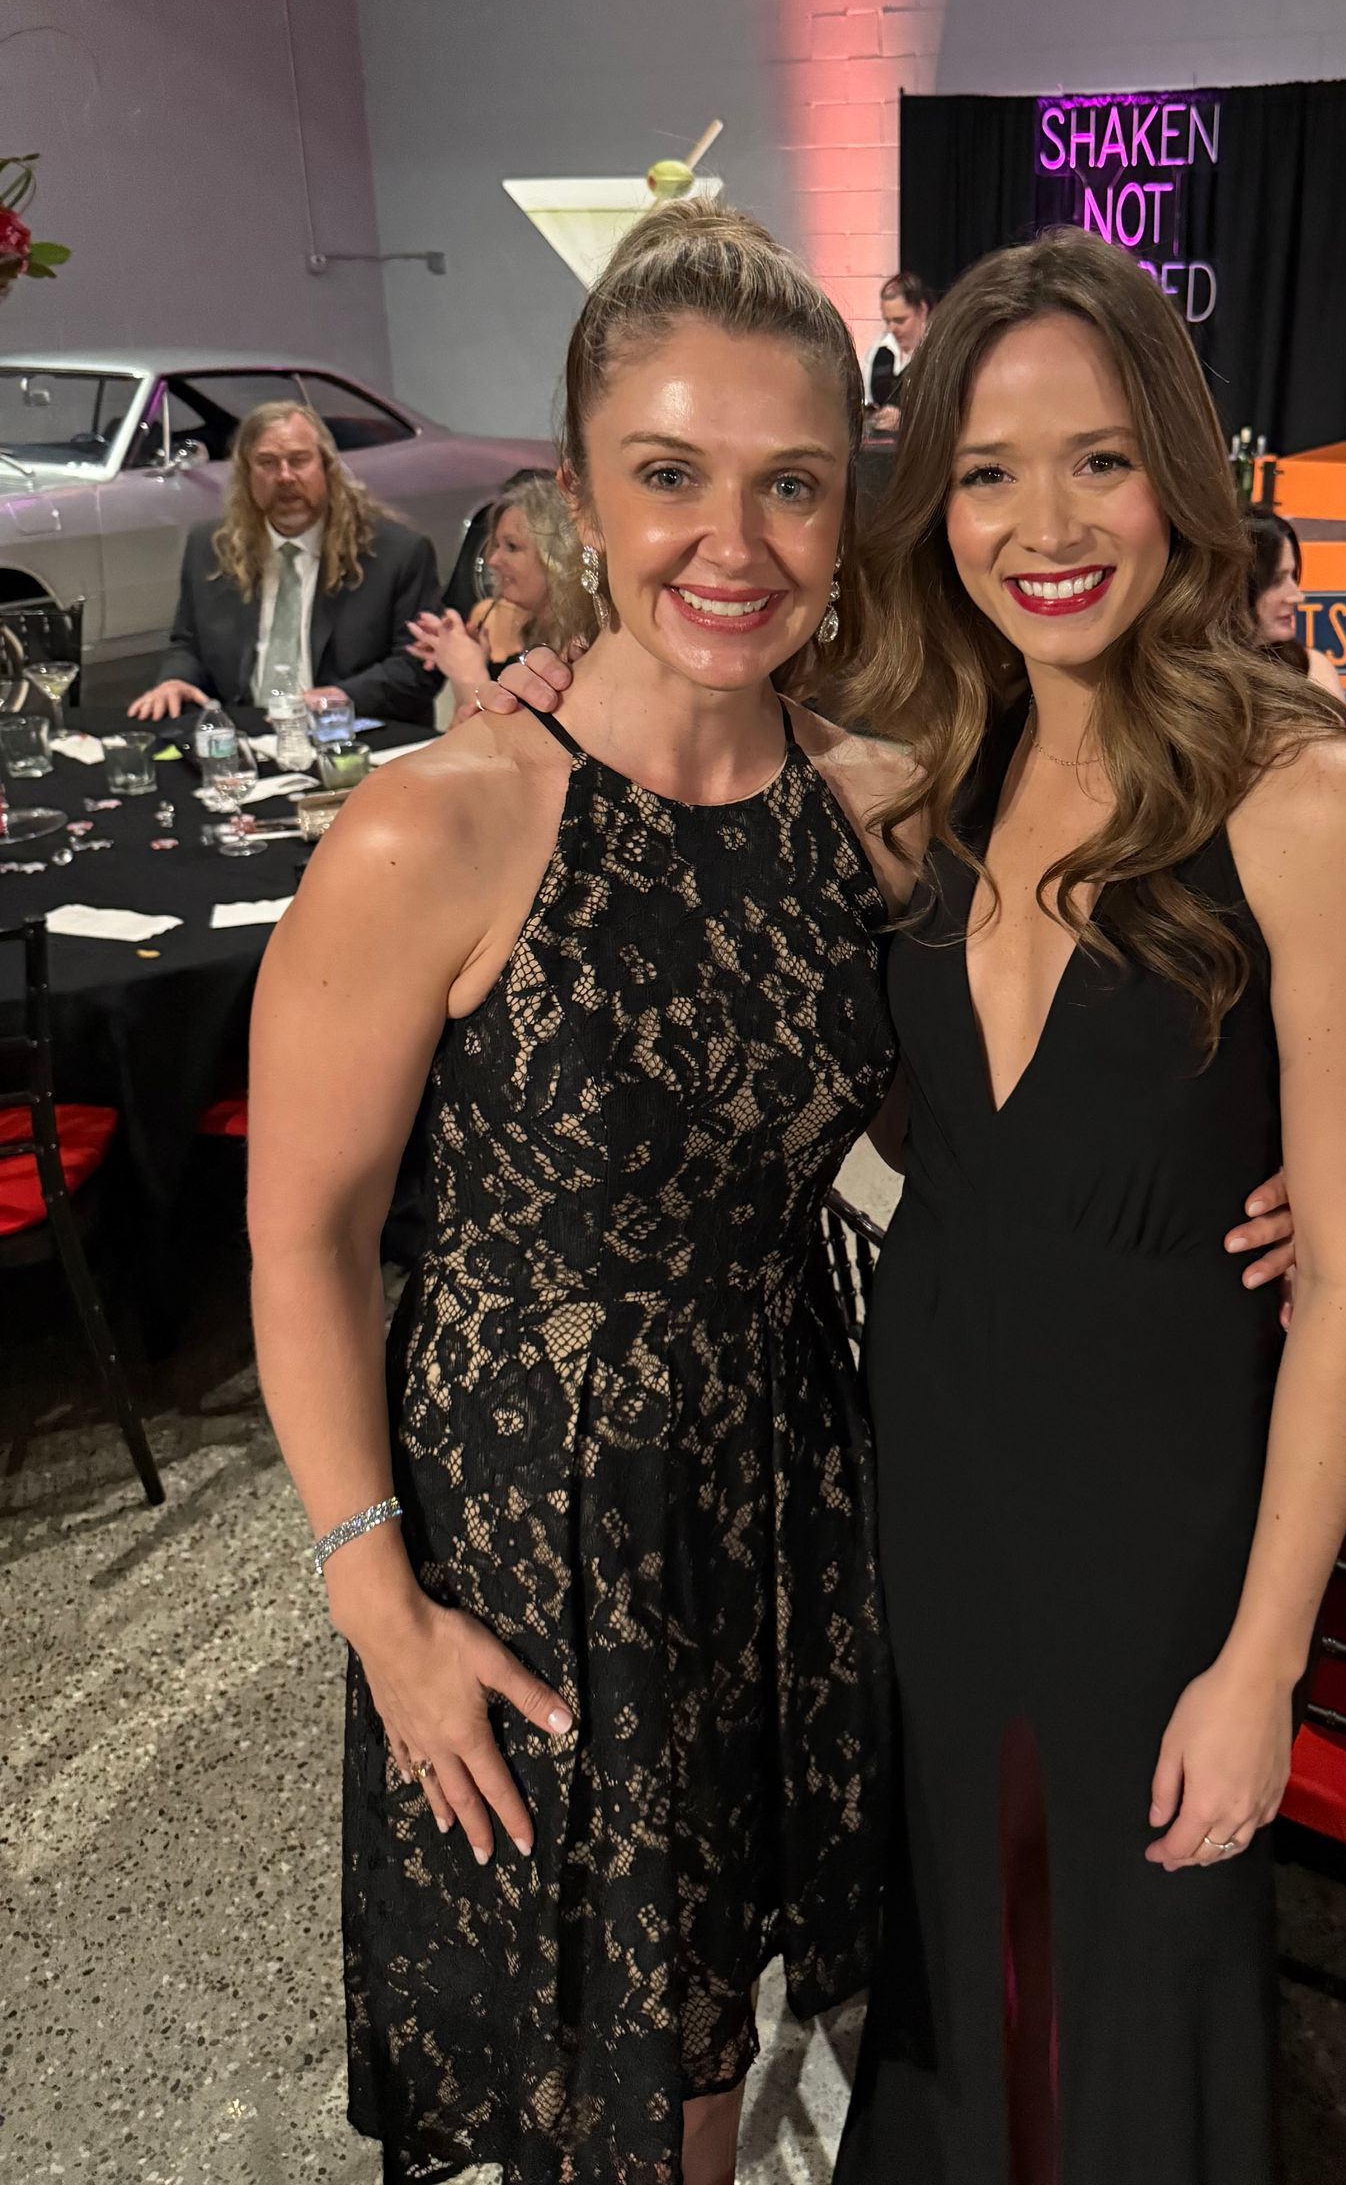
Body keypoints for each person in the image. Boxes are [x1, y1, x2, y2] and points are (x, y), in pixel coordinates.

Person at [248, 206, 917, 2185]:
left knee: (702, 2039)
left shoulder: (873, 806)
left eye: (792, 482)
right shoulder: (437, 824)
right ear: (576, 493)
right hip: (523, 1533)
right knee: (556, 2082)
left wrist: (1275, 1189)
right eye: (672, 474)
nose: (738, 541)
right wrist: (379, 1603)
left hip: (777, 1487)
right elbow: (300, 1235)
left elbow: (1002, 1095)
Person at [826, 231, 1346, 2182]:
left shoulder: (1305, 794)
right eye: (988, 468)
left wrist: (1262, 1666)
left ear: (1179, 464)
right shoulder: (941, 760)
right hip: (934, 1435)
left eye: (1097, 457)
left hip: (1157, 1467)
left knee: (1139, 1942)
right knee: (966, 1901)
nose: (1043, 520)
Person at [129, 400, 439, 725]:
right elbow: (189, 644)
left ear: (327, 467)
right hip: (247, 733)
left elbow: (417, 667)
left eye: (299, 460)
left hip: (349, 733)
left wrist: (339, 698)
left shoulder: (397, 552)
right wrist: (176, 680)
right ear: (247, 474)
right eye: (267, 463)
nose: (285, 476)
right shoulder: (210, 547)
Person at [406, 467, 595, 707]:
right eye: (495, 545)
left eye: (512, 547)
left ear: (558, 554)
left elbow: (522, 742)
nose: (493, 560)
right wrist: (457, 656)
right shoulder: (491, 618)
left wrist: (470, 676)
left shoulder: (588, 642)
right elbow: (459, 732)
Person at [1244, 508, 1345, 698]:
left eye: (1292, 576)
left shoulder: (1313, 671)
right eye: (1275, 581)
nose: (1297, 596)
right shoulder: (1190, 683)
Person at [863, 268, 932, 423]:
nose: (892, 328)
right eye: (888, 321)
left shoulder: (939, 354)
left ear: (921, 310)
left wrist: (905, 419)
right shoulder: (879, 350)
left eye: (900, 320)